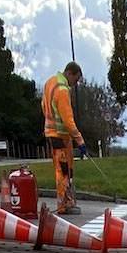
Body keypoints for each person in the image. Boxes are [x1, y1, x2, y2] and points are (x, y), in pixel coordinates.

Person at [42, 62, 86, 214]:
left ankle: (67, 201)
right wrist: (79, 140)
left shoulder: (50, 83)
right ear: (70, 73)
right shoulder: (62, 90)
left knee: (63, 169)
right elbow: (68, 120)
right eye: (76, 80)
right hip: (60, 135)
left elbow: (44, 106)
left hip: (52, 133)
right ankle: (64, 205)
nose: (75, 84)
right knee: (64, 171)